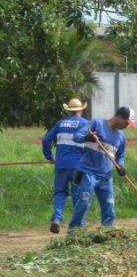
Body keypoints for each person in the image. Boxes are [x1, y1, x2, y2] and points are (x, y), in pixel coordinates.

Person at [69, 106, 135, 230]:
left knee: (109, 206)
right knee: (83, 202)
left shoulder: (121, 136)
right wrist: (87, 138)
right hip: (87, 172)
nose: (127, 125)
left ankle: (108, 231)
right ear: (119, 117)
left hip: (106, 176)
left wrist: (121, 166)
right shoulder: (96, 124)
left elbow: (120, 155)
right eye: (126, 122)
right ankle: (75, 232)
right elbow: (76, 136)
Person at [41, 98, 89, 233]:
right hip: (78, 167)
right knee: (77, 195)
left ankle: (56, 218)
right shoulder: (85, 124)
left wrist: (50, 157)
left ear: (68, 110)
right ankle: (78, 226)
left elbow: (46, 140)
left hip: (61, 165)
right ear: (81, 110)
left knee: (60, 193)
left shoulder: (60, 123)